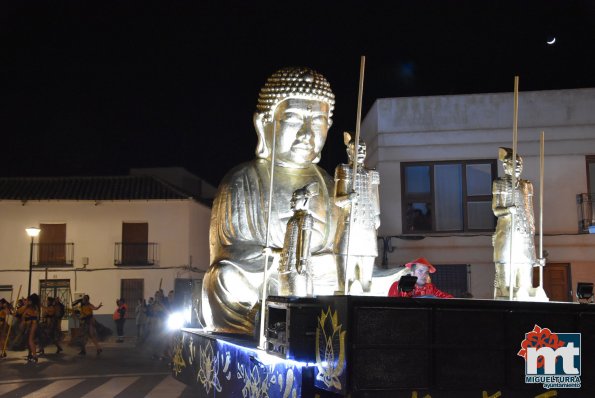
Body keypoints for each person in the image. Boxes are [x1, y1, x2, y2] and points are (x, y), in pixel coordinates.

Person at [202, 66, 339, 334]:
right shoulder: (241, 180)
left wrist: (323, 262)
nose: (307, 133)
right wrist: (277, 259)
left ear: (329, 127)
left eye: (317, 122)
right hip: (260, 282)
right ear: (264, 123)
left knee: (349, 275)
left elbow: (337, 247)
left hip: (319, 279)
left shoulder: (329, 182)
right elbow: (228, 253)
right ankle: (261, 322)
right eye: (293, 119)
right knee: (224, 279)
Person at [492, 147, 546, 301]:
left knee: (525, 261)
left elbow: (530, 210)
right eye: (513, 163)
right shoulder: (500, 183)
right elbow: (496, 209)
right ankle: (506, 287)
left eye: (519, 163)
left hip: (524, 228)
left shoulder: (526, 185)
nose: (517, 166)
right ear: (505, 166)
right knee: (506, 259)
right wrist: (509, 210)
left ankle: (526, 287)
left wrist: (532, 230)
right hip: (508, 228)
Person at [333, 132, 380, 294]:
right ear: (349, 152)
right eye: (357, 148)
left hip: (367, 227)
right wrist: (348, 197)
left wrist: (377, 216)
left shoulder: (372, 173)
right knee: (345, 281)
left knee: (367, 280)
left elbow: (375, 198)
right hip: (349, 226)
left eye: (363, 149)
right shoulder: (343, 170)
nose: (360, 152)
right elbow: (338, 200)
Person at [277, 183, 318, 297]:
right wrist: (272, 251)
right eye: (292, 199)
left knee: (296, 299)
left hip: (297, 268)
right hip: (287, 265)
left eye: (295, 199)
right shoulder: (293, 219)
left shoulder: (306, 219)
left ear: (304, 201)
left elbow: (305, 242)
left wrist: (302, 263)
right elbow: (287, 247)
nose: (292, 202)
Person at [388, 257, 453, 298]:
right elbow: (391, 308)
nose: (424, 275)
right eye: (420, 271)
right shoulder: (398, 286)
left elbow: (448, 298)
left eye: (426, 272)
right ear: (412, 273)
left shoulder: (430, 287)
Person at [23, 293, 41, 362]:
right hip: (34, 324)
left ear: (31, 301)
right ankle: (32, 355)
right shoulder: (35, 307)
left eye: (29, 300)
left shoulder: (32, 308)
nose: (28, 301)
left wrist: (26, 312)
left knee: (30, 340)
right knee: (30, 340)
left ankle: (35, 356)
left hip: (34, 325)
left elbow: (29, 315)